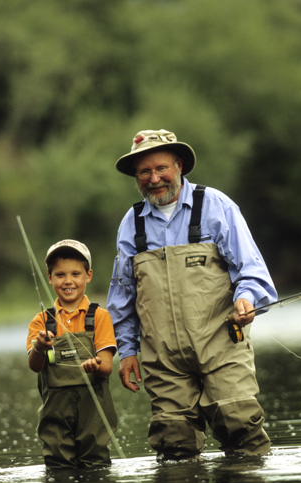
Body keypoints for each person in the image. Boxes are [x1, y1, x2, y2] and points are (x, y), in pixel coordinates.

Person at [107, 129, 277, 461]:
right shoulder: (131, 225)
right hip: (162, 359)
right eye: (145, 172)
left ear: (179, 165)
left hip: (222, 344)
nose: (154, 178)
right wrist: (126, 351)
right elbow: (123, 296)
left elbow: (253, 271)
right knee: (173, 444)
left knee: (241, 428)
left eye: (161, 168)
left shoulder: (217, 206)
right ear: (136, 177)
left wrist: (246, 299)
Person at [27, 239, 118, 469]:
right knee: (57, 467)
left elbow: (107, 366)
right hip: (54, 414)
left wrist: (96, 366)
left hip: (94, 414)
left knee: (95, 464)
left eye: (75, 274)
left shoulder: (100, 317)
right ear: (50, 278)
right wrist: (40, 347)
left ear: (88, 275)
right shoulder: (40, 321)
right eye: (60, 275)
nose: (68, 281)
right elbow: (35, 366)